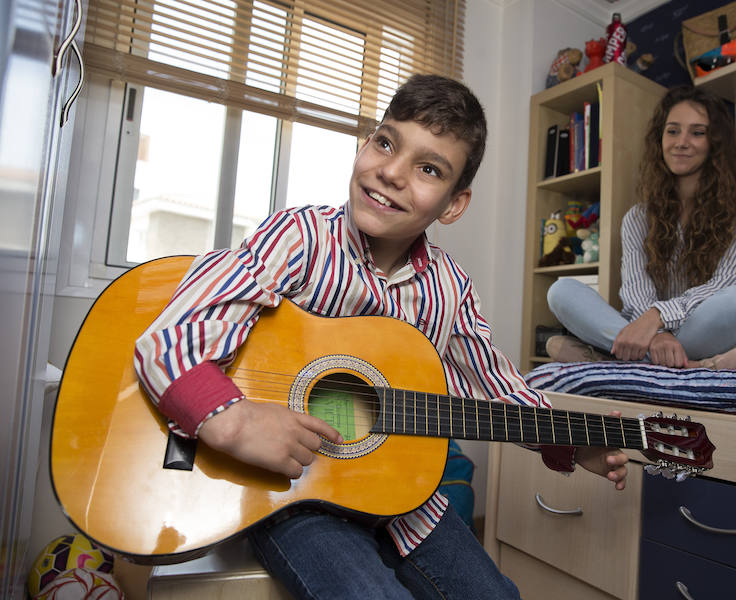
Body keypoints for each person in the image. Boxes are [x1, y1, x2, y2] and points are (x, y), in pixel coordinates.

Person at [134, 74, 629, 600]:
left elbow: (497, 391)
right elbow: (169, 339)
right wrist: (232, 420)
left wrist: (573, 444)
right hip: (295, 498)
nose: (391, 173)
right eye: (387, 143)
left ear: (455, 204)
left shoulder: (450, 288)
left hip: (404, 501)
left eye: (428, 168)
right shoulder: (299, 238)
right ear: (365, 143)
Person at [546, 84, 736, 368]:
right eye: (673, 130)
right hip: (647, 333)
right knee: (561, 291)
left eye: (697, 132)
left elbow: (727, 282)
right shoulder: (637, 218)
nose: (682, 141)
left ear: (715, 142)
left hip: (702, 329)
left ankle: (613, 358)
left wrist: (658, 317)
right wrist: (657, 335)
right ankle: (695, 365)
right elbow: (635, 293)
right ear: (660, 139)